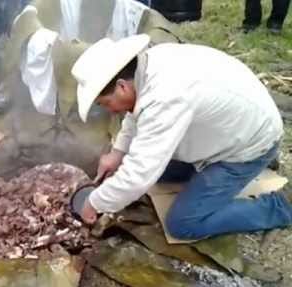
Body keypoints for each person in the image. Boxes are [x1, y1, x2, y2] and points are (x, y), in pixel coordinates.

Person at [71, 34, 292, 240]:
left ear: (121, 86)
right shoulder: (146, 68)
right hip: (229, 127)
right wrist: (118, 153)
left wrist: (94, 203)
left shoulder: (166, 97)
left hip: (249, 146)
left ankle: (280, 206)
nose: (110, 110)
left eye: (105, 103)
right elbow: (136, 112)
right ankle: (206, 173)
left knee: (183, 225)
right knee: (150, 172)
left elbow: (139, 175)